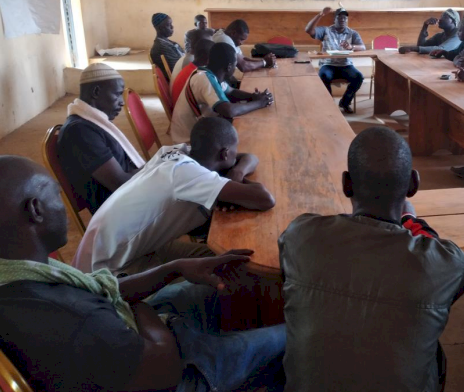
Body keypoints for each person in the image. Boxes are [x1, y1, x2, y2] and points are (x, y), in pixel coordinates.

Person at [0, 155, 285, 392]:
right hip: (168, 371)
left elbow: (107, 291)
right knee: (288, 338)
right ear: (35, 209)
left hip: (125, 331)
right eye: (56, 195)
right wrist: (136, 305)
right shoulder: (69, 317)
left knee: (227, 287)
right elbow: (165, 368)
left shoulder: (22, 275)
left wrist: (175, 268)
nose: (61, 206)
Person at [278, 127, 464, 392]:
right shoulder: (446, 264)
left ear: (347, 184)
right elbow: (446, 266)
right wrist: (409, 220)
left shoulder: (300, 235)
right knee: (430, 346)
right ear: (413, 184)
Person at [73, 117, 275, 275]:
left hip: (121, 249)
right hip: (109, 271)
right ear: (224, 154)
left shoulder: (173, 152)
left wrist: (234, 175)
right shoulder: (189, 174)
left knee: (228, 258)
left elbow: (250, 157)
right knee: (233, 268)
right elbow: (265, 199)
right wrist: (234, 179)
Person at [57, 64, 145, 214]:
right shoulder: (79, 132)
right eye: (117, 94)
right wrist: (156, 169)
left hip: (131, 198)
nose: (122, 102)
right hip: (122, 211)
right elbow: (120, 184)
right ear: (96, 92)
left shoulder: (93, 123)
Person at [170, 43, 274, 144]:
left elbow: (231, 91)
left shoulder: (208, 73)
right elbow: (229, 111)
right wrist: (259, 103)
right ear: (229, 67)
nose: (235, 68)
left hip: (200, 128)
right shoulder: (204, 79)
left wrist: (253, 97)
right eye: (235, 65)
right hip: (187, 141)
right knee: (248, 136)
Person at [305, 7, 366, 114]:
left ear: (347, 20)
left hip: (346, 65)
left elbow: (363, 47)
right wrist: (321, 14)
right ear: (334, 19)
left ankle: (345, 102)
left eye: (344, 18)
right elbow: (308, 30)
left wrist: (351, 47)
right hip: (328, 65)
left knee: (358, 77)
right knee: (323, 76)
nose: (342, 19)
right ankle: (329, 104)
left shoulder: (352, 33)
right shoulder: (325, 30)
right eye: (339, 17)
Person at [171, 38, 213, 104]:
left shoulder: (190, 67)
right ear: (208, 59)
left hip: (179, 104)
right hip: (184, 107)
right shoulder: (198, 74)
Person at [150, 12, 185, 81]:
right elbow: (178, 69)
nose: (172, 27)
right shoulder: (162, 47)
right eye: (169, 25)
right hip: (179, 80)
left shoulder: (166, 42)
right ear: (160, 28)